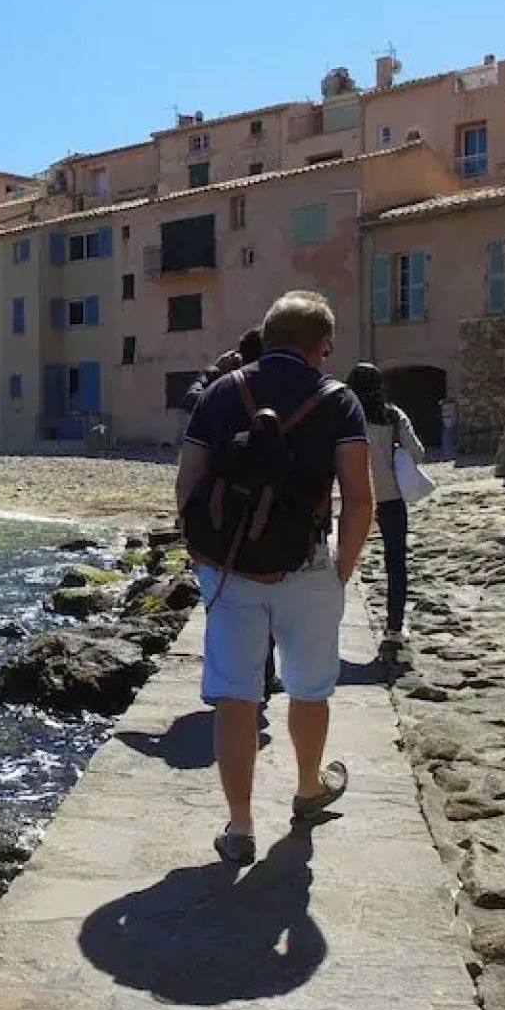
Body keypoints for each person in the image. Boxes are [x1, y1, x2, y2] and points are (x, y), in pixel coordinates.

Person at [178, 290, 374, 865]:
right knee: (310, 688)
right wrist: (341, 569)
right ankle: (308, 789)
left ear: (266, 335)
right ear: (323, 346)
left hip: (233, 568)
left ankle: (240, 827)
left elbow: (187, 486)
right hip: (308, 562)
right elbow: (359, 501)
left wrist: (206, 560)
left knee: (236, 696)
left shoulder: (220, 392)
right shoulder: (338, 400)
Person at [182, 328, 283, 698]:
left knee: (224, 596)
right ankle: (267, 674)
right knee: (265, 590)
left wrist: (212, 371)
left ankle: (231, 678)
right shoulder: (283, 389)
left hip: (222, 502)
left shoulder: (223, 391)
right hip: (269, 503)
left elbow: (191, 399)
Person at [345, 363, 423, 662]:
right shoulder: (392, 415)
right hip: (389, 497)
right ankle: (393, 629)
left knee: (343, 563)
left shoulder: (345, 417)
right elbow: (417, 453)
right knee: (396, 564)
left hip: (353, 498)